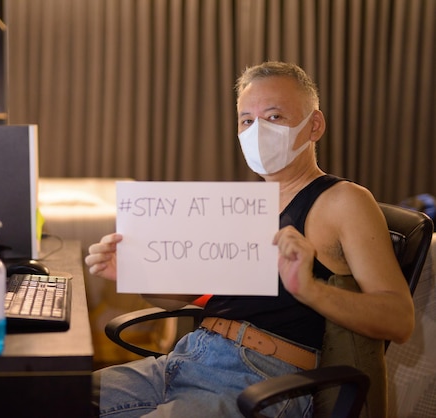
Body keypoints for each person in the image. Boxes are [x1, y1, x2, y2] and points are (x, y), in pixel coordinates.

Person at [85, 61, 414, 417]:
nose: (257, 131)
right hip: (186, 357)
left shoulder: (343, 200)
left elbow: (399, 320)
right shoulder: (245, 206)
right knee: (43, 395)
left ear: (314, 125)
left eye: (274, 117)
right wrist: (137, 269)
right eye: (247, 120)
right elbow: (182, 297)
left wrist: (310, 289)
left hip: (260, 378)